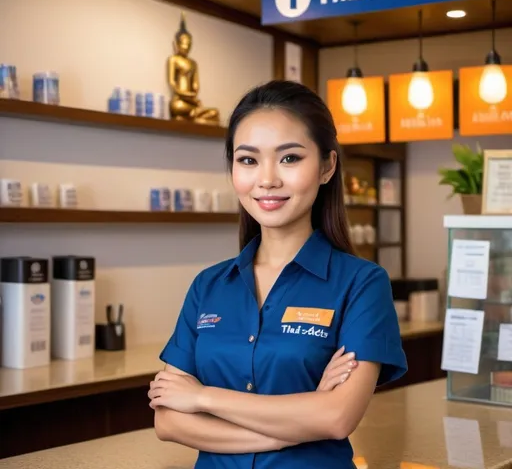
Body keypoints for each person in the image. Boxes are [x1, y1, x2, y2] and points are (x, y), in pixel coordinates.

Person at [148, 80, 408, 468]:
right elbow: (168, 420)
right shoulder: (208, 286)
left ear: (326, 166)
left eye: (289, 158)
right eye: (248, 160)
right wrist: (306, 414)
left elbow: (337, 419)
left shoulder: (362, 284)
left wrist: (202, 398)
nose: (266, 179)